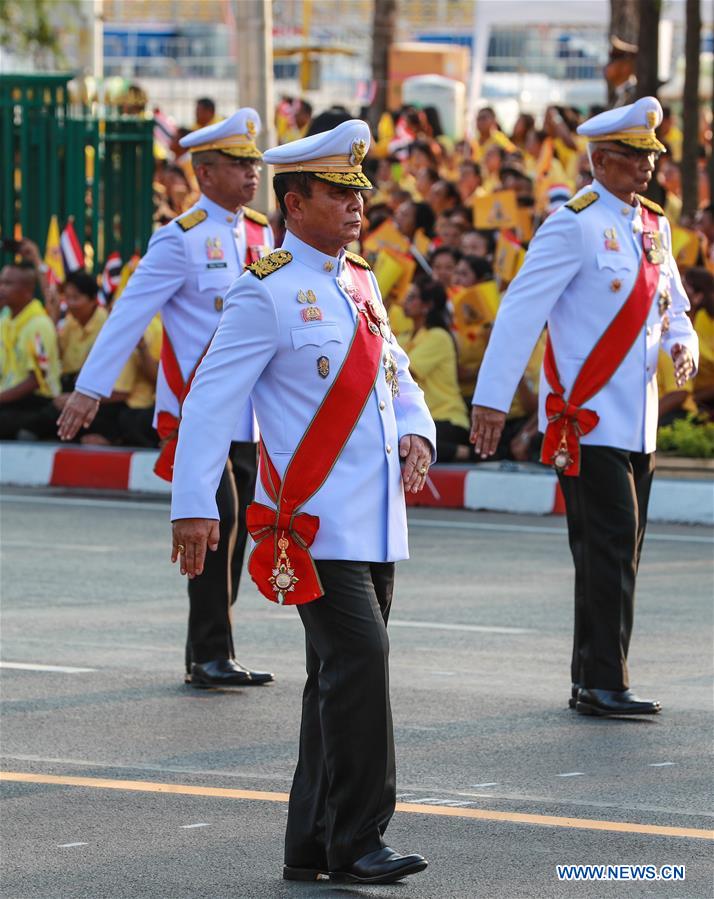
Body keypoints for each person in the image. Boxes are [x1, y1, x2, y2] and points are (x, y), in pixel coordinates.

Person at [170, 120, 435, 884]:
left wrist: (417, 429)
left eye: (359, 191)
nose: (357, 205)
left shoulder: (361, 281)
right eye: (338, 192)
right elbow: (211, 400)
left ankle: (310, 843)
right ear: (294, 201)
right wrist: (196, 505)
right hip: (311, 520)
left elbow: (397, 373)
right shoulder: (265, 289)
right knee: (362, 659)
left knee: (336, 673)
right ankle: (358, 836)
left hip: (375, 515)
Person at [471, 97, 699, 718]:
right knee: (607, 546)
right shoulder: (571, 224)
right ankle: (604, 679)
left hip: (638, 418)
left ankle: (590, 674)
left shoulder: (653, 224)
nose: (646, 167)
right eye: (631, 157)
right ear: (599, 160)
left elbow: (673, 303)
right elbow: (522, 308)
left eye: (651, 155)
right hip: (588, 417)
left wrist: (684, 340)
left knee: (618, 550)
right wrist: (492, 399)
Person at [56, 109, 275, 690]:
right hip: (193, 411)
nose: (252, 174)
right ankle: (208, 654)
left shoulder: (261, 233)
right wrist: (89, 389)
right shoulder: (178, 240)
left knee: (240, 527)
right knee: (216, 521)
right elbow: (131, 311)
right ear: (205, 174)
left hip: (250, 414)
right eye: (237, 165)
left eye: (254, 163)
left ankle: (216, 646)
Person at [399, 278, 471, 461]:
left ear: (427, 305)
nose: (405, 301)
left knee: (399, 440)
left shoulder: (438, 337)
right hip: (421, 419)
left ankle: (465, 453)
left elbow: (404, 372)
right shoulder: (405, 337)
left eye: (412, 297)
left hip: (447, 419)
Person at [0, 261, 60, 438]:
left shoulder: (39, 325)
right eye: (1, 282)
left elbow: (36, 380)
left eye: (8, 284)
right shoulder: (5, 321)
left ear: (27, 289)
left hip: (37, 402)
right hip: (9, 398)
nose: (2, 288)